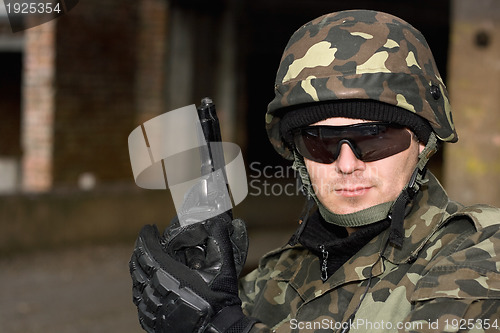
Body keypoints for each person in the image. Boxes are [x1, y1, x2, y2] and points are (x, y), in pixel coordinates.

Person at [129, 9, 500, 333]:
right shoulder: (277, 276)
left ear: (422, 142)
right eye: (320, 142)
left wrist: (223, 327)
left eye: (373, 139)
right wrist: (203, 292)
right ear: (297, 155)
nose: (346, 163)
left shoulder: (479, 250)